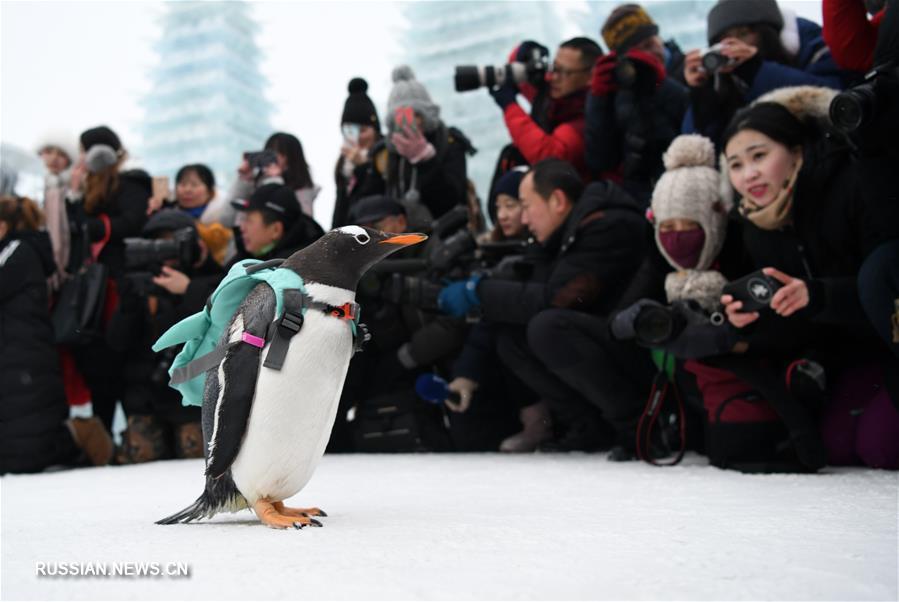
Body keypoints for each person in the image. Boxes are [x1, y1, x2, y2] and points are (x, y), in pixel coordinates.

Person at [719, 89, 899, 469]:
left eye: (759, 156)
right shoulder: (754, 225)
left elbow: (885, 281)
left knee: (881, 447)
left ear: (797, 152)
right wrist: (750, 323)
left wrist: (818, 295)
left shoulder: (849, 184)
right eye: (735, 165)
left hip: (889, 340)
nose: (748, 174)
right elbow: (801, 324)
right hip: (851, 356)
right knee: (835, 446)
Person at [438, 159, 648, 451]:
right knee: (513, 336)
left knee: (548, 327)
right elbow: (523, 302)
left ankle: (638, 426)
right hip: (613, 342)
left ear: (558, 201)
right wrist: (467, 373)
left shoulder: (608, 225)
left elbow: (561, 299)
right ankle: (588, 426)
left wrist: (480, 291)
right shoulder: (562, 235)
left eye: (525, 205)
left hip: (644, 348)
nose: (523, 219)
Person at [0, 196, 113, 473]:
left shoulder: (17, 250)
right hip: (19, 354)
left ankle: (83, 437)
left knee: (26, 442)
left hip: (22, 355)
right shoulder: (18, 249)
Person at [106, 210, 223, 463]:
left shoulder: (211, 282)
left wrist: (189, 290)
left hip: (192, 400)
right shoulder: (140, 285)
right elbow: (116, 343)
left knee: (200, 459)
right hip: (145, 398)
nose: (165, 254)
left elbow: (220, 325)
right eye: (157, 243)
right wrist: (128, 305)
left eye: (172, 243)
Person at [65, 125, 150, 431]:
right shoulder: (84, 191)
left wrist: (95, 226)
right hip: (93, 293)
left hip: (120, 288)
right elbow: (73, 232)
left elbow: (131, 222)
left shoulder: (132, 185)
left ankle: (133, 436)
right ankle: (105, 435)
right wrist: (73, 195)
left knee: (120, 360)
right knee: (97, 366)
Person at [682, 0, 845, 146]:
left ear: (768, 33)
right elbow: (701, 146)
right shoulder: (722, 78)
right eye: (723, 40)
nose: (732, 45)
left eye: (743, 33)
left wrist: (757, 70)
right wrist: (702, 94)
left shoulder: (811, 45)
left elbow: (836, 98)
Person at [586, 4, 689, 204]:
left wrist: (659, 83)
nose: (650, 53)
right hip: (640, 195)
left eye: (651, 43)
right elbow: (600, 159)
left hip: (684, 184)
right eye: (639, 51)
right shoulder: (621, 92)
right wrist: (598, 99)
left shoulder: (688, 71)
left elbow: (697, 124)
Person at [373, 66, 473, 229]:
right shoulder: (384, 152)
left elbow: (452, 201)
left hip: (444, 238)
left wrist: (426, 160)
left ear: (427, 116)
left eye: (416, 115)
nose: (410, 122)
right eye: (402, 116)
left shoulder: (450, 143)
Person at [489, 38, 603, 181]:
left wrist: (510, 106)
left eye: (564, 72)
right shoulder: (559, 97)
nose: (553, 77)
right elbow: (517, 73)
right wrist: (524, 53)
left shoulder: (590, 115)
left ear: (590, 76)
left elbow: (548, 153)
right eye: (554, 67)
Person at [227, 182, 324, 267]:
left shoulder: (293, 272)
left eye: (249, 220)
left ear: (276, 230)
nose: (242, 228)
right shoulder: (251, 254)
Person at [332, 77, 384, 228]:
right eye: (350, 131)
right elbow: (340, 209)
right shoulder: (344, 163)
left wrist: (363, 168)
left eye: (363, 130)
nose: (358, 138)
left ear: (375, 129)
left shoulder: (385, 154)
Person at [173, 163, 232, 265]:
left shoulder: (223, 218)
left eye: (194, 185)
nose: (187, 190)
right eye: (183, 184)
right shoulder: (168, 213)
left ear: (210, 191)